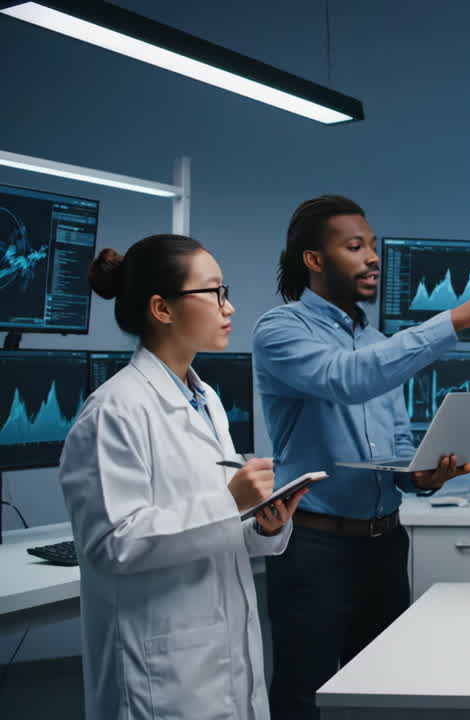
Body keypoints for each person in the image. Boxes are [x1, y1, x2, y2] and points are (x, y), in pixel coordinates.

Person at [253, 195, 470, 719]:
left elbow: (396, 447)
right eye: (354, 246)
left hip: (384, 543)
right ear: (314, 260)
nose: (372, 258)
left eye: (373, 247)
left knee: (379, 688)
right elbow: (348, 379)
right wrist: (453, 320)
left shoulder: (376, 339)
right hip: (314, 547)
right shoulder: (280, 330)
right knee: (305, 691)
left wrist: (423, 475)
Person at [61, 234, 305, 720]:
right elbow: (113, 544)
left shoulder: (205, 399)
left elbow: (211, 527)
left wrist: (262, 525)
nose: (228, 306)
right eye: (213, 292)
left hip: (222, 650)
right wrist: (230, 503)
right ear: (162, 308)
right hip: (160, 672)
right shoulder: (114, 410)